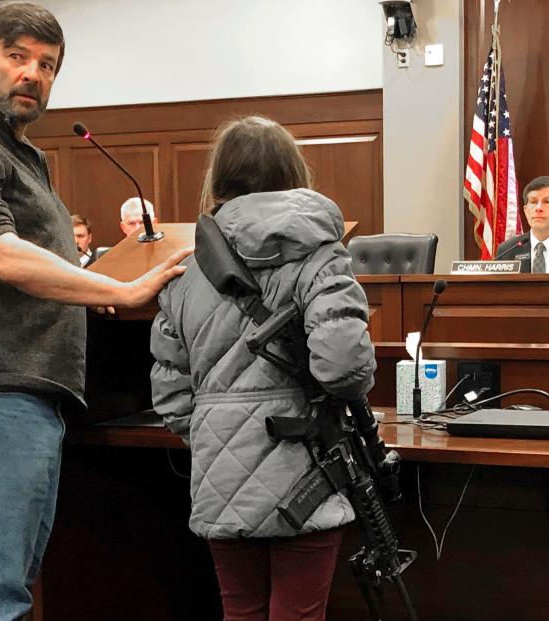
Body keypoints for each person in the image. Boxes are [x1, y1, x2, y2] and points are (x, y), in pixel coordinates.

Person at [0, 4, 188, 619]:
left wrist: (86, 290)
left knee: (3, 587)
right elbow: (0, 256)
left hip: (26, 392)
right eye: (17, 57)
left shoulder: (18, 152)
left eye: (48, 65)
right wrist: (119, 291)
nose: (33, 74)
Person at [150, 115, 374, 621]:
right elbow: (344, 368)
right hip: (306, 465)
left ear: (218, 178)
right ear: (293, 170)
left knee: (241, 613)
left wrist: (220, 429)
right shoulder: (320, 255)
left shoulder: (186, 270)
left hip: (219, 475)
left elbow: (170, 396)